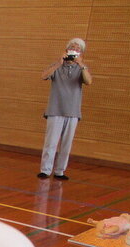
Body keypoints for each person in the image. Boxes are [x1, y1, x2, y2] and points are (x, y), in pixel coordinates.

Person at [38, 38, 93, 181]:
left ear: (81, 53)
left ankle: (60, 171)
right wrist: (59, 62)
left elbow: (88, 81)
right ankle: (45, 170)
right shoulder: (57, 66)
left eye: (78, 49)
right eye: (72, 48)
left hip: (72, 112)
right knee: (51, 142)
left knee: (66, 144)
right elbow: (44, 75)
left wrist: (81, 64)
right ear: (66, 49)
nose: (74, 51)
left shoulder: (81, 69)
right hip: (55, 110)